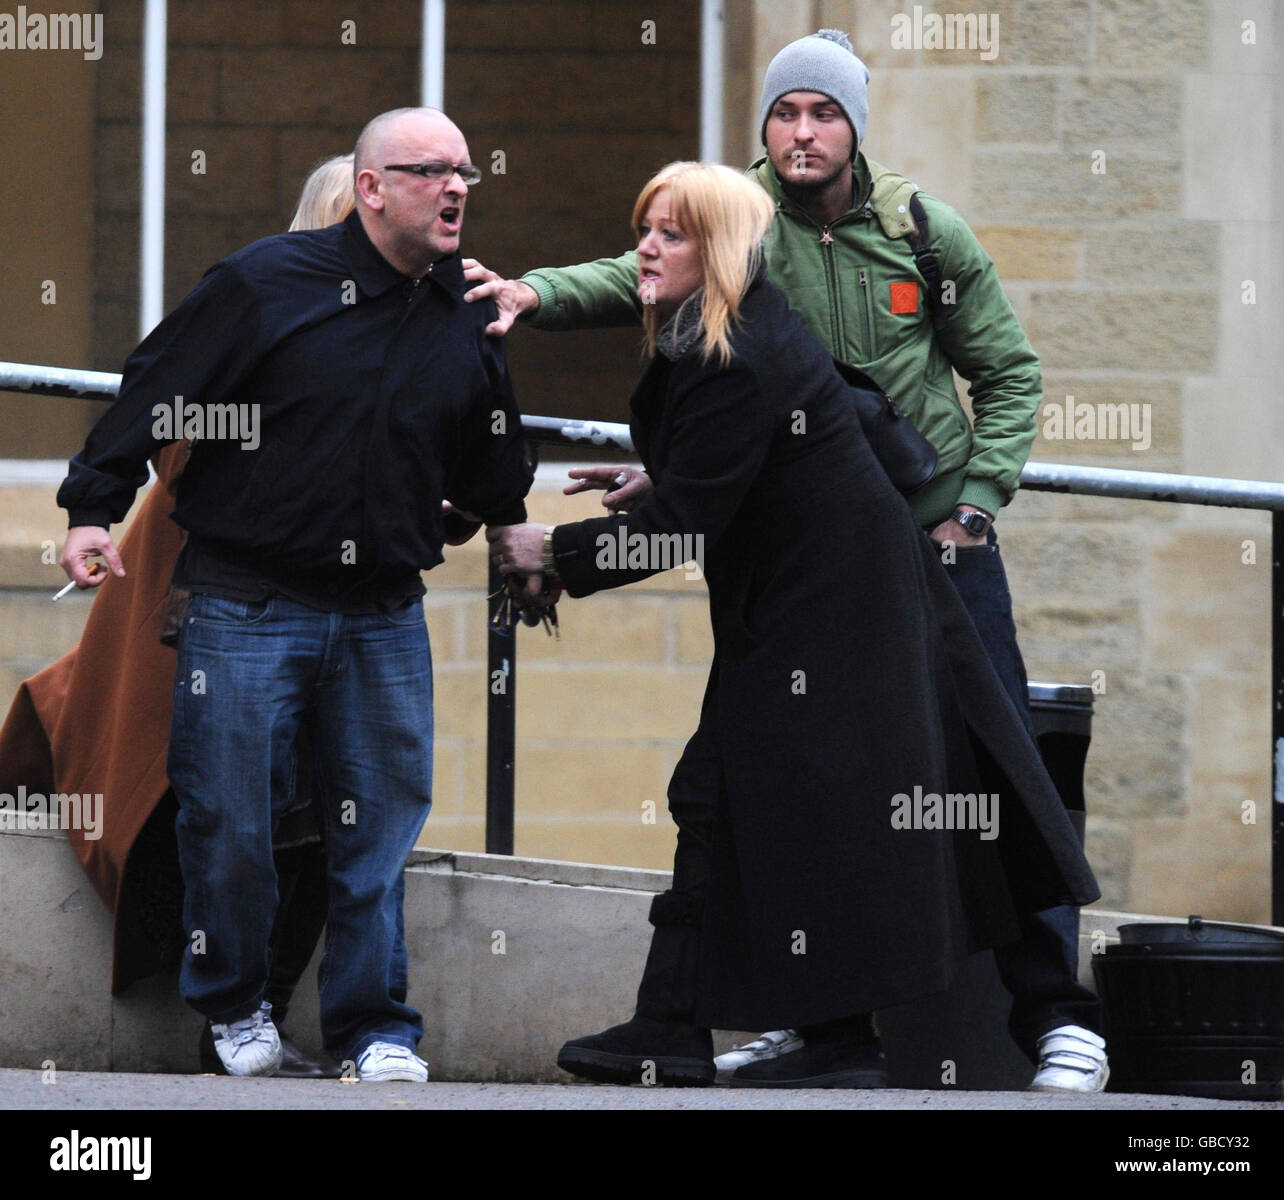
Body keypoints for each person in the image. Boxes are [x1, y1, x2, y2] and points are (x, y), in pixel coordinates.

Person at [467, 28, 1107, 1093]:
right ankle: (826, 1025)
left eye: (822, 114)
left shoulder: (919, 231)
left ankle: (1057, 1017)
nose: (800, 132)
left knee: (987, 772)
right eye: (783, 113)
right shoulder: (734, 226)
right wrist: (533, 295)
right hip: (812, 560)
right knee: (802, 791)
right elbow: (643, 279)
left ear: (854, 126)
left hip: (930, 543)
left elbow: (1006, 374)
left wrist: (976, 508)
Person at [54, 107, 534, 1081]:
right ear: (369, 187)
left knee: (376, 830)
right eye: (428, 171)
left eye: (464, 174)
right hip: (247, 603)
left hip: (384, 612)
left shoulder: (462, 311)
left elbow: (487, 452)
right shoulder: (264, 283)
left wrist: (504, 516)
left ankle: (375, 1030)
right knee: (230, 824)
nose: (454, 190)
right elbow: (158, 392)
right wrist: (92, 506)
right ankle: (236, 1012)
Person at [0, 153, 366, 1080]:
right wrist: (91, 505)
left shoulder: (404, 319)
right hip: (223, 598)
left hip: (326, 607)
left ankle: (261, 1020)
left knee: (323, 811)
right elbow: (166, 419)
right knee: (251, 804)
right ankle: (245, 1021)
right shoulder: (266, 305)